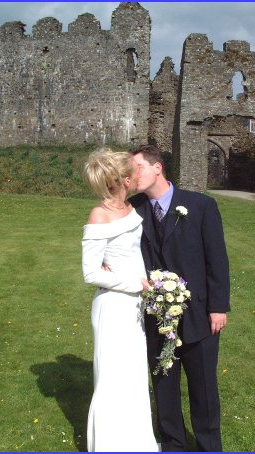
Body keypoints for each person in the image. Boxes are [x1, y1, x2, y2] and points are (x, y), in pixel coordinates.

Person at [129, 144, 231, 452]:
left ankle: (209, 447)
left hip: (199, 315)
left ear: (157, 167)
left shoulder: (201, 206)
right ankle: (173, 445)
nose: (132, 177)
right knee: (164, 389)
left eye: (138, 169)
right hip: (157, 318)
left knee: (204, 390)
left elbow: (217, 260)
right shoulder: (132, 209)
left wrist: (218, 308)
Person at [81, 148, 159, 452]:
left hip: (135, 306)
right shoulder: (99, 215)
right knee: (112, 379)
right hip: (113, 305)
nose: (139, 173)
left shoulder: (130, 207)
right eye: (134, 171)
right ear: (125, 179)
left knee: (134, 378)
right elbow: (90, 272)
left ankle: (139, 444)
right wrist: (134, 284)